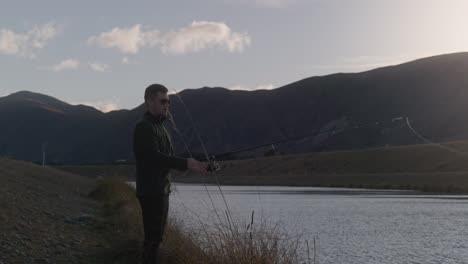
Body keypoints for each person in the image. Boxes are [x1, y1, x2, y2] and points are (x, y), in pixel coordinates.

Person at [133, 83, 208, 264]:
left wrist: (199, 164)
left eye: (168, 101)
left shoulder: (162, 128)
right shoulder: (144, 127)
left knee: (156, 238)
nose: (167, 105)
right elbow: (153, 157)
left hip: (161, 190)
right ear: (150, 101)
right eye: (163, 101)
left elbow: (168, 159)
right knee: (153, 239)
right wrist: (185, 163)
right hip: (151, 191)